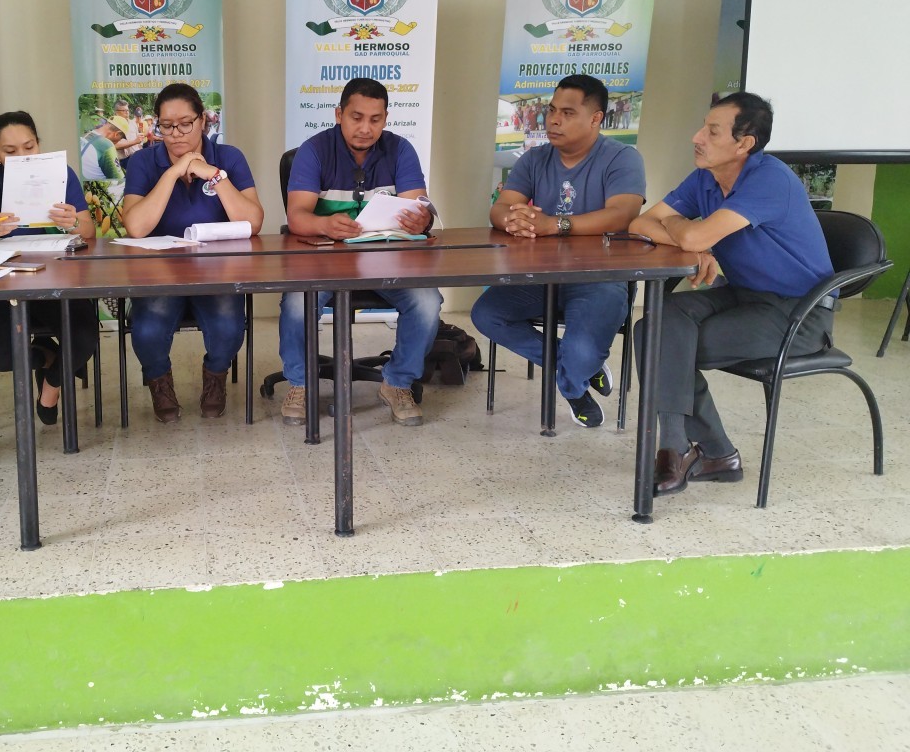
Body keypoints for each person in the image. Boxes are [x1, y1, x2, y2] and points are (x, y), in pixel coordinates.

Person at [629, 92, 835, 496]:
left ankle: (678, 450)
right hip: (742, 293)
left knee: (665, 345)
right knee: (654, 325)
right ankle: (712, 454)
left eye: (712, 131)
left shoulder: (770, 179)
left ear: (745, 144)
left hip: (799, 313)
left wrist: (688, 234)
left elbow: (689, 233)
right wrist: (694, 243)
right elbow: (640, 224)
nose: (697, 137)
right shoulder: (706, 178)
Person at [471, 74, 645, 429]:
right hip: (540, 276)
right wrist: (513, 219)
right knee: (487, 315)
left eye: (567, 113)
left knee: (581, 351)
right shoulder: (535, 159)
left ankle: (573, 381)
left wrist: (557, 224)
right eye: (551, 110)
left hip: (601, 278)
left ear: (596, 118)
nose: (553, 120)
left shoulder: (622, 157)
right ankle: (580, 374)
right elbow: (500, 207)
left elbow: (622, 214)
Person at [277, 77, 441, 428]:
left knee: (427, 301)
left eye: (375, 119)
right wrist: (324, 225)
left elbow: (419, 206)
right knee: (296, 303)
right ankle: (300, 384)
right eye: (356, 117)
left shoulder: (400, 150)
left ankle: (398, 383)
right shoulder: (314, 150)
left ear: (386, 119)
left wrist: (421, 219)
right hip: (324, 261)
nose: (366, 128)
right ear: (339, 114)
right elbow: (296, 217)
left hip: (386, 259)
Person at [0, 110, 100, 425]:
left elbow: (89, 231)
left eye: (29, 148)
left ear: (39, 144)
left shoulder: (61, 174)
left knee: (84, 337)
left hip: (52, 278)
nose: (22, 157)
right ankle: (46, 355)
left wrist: (73, 222)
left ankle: (51, 386)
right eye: (10, 151)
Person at [120, 83, 264, 421]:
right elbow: (136, 227)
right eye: (167, 126)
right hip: (159, 272)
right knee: (147, 330)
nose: (176, 134)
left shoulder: (229, 157)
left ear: (202, 121)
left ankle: (215, 375)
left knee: (229, 327)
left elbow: (254, 222)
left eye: (185, 124)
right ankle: (159, 381)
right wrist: (173, 172)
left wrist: (214, 176)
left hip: (217, 270)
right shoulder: (143, 161)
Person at [80, 115, 128, 181]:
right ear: (116, 134)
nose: (119, 141)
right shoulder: (106, 145)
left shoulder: (84, 135)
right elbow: (119, 179)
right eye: (121, 138)